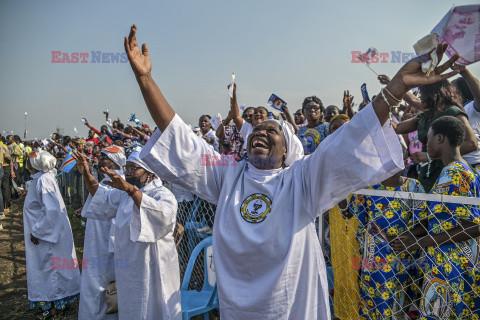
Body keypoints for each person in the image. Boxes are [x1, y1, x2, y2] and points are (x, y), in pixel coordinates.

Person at [123, 25, 459, 319]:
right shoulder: (227, 177)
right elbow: (178, 137)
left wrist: (397, 85)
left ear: (288, 151)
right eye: (257, 129)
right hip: (239, 310)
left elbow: (350, 137)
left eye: (273, 131)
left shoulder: (302, 179)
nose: (260, 132)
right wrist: (145, 79)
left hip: (290, 307)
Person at [73, 148, 181, 320]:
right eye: (127, 167)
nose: (129, 172)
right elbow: (103, 197)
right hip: (129, 268)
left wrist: (130, 190)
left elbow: (163, 218)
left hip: (152, 267)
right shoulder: (125, 194)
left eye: (134, 168)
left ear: (149, 173)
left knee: (153, 308)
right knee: (132, 307)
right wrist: (86, 173)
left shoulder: (162, 195)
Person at [390, 116, 480, 320]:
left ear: (440, 138)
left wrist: (419, 242)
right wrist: (412, 234)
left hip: (451, 263)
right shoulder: (462, 170)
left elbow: (472, 226)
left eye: (427, 139)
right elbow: (441, 217)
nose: (424, 144)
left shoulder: (454, 174)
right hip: (451, 261)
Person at [349, 169, 425, 320]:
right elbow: (357, 218)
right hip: (374, 258)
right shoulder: (368, 186)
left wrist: (397, 237)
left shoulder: (414, 187)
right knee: (373, 304)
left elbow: (423, 224)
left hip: (403, 258)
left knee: (398, 306)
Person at [385, 74, 478, 192]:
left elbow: (471, 143)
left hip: (448, 174)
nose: (421, 97)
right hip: (426, 173)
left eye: (422, 93)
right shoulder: (426, 115)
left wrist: (429, 156)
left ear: (432, 94)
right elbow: (397, 127)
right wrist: (382, 107)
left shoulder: (453, 111)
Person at [23, 149, 80, 319]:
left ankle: (56, 304)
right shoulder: (42, 179)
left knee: (51, 268)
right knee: (50, 268)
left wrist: (38, 231)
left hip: (47, 234)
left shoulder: (44, 180)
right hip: (48, 232)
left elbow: (52, 211)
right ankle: (55, 302)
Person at [78, 145, 126, 320]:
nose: (101, 159)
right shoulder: (105, 179)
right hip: (96, 239)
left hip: (108, 242)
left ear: (115, 162)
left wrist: (86, 173)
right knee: (94, 280)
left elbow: (100, 195)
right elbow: (98, 199)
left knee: (104, 281)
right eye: (101, 156)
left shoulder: (120, 181)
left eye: (105, 157)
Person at [326, 114, 361, 320]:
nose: (339, 129)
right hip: (342, 212)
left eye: (344, 126)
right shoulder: (329, 153)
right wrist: (343, 203)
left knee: (360, 263)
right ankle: (346, 313)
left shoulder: (363, 149)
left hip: (362, 211)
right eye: (334, 128)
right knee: (344, 262)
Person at [450, 66, 480, 174]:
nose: (451, 96)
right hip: (459, 166)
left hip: (476, 166)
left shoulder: (471, 107)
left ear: (462, 93)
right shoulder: (452, 111)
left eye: (454, 93)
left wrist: (465, 72)